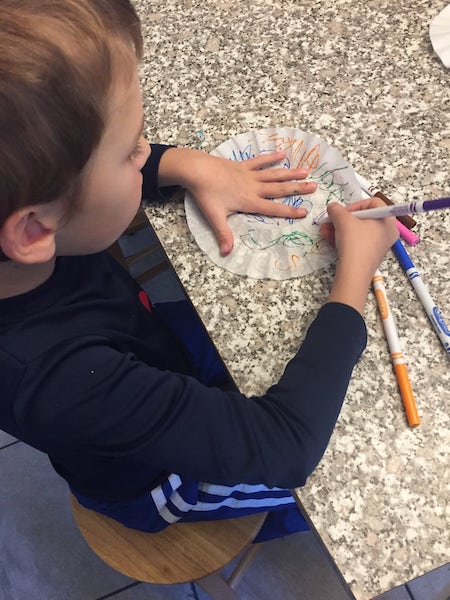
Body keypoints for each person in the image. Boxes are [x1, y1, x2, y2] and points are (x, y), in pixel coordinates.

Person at [0, 0, 398, 541]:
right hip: (160, 485)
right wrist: (355, 272)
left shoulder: (30, 242)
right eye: (130, 152)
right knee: (340, 493)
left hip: (140, 346)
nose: (147, 151)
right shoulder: (57, 380)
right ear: (33, 231)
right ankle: (289, 528)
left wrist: (187, 164)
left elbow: (68, 174)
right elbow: (284, 448)